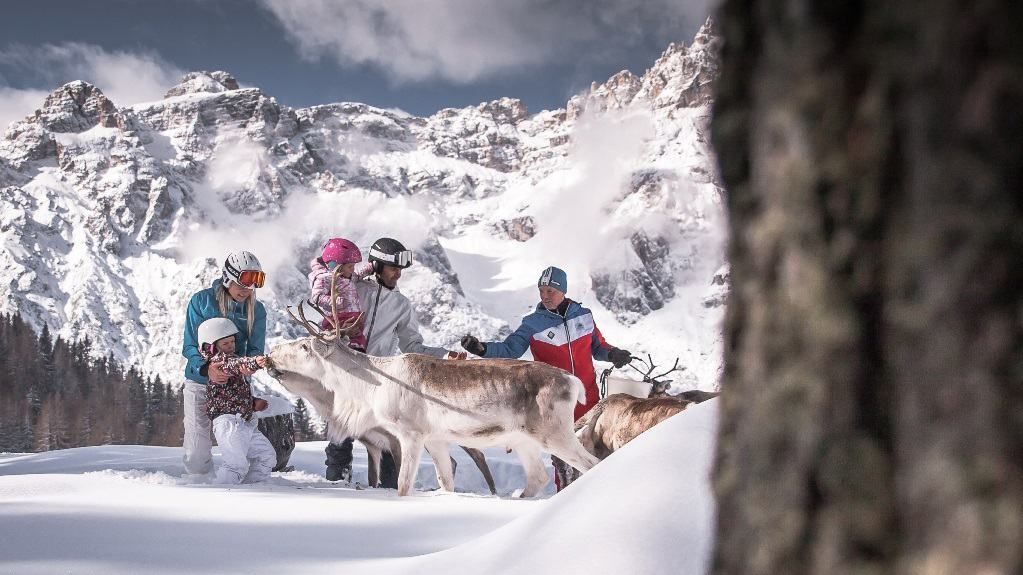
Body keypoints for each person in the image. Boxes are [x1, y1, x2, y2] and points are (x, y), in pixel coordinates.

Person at [460, 266, 632, 491]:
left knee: (596, 449)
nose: (544, 295)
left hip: (589, 398)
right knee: (562, 454)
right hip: (555, 402)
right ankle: (565, 498)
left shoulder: (584, 316)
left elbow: (598, 347)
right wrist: (482, 349)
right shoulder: (532, 323)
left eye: (550, 290)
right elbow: (510, 349)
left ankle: (599, 497)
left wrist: (612, 354)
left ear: (562, 290)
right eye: (541, 290)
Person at [324, 237, 466, 484]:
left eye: (400, 269)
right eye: (393, 268)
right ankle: (336, 486)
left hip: (380, 382)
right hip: (348, 374)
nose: (398, 274)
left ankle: (389, 493)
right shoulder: (355, 290)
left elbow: (412, 346)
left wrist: (444, 355)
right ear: (377, 266)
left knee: (389, 439)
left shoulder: (401, 305)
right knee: (340, 440)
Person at [181, 250, 267, 476]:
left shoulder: (256, 310)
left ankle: (250, 494)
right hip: (200, 383)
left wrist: (248, 366)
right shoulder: (202, 301)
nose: (248, 289)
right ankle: (200, 492)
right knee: (196, 457)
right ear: (229, 276)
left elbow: (256, 349)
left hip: (235, 389)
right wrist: (207, 368)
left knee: (244, 446)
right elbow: (190, 345)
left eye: (254, 283)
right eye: (244, 281)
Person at [196, 317, 276, 484]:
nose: (231, 345)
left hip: (244, 421)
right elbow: (235, 364)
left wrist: (252, 403)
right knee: (235, 465)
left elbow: (232, 393)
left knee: (266, 457)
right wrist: (254, 362)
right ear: (211, 347)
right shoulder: (219, 363)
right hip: (228, 423)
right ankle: (223, 497)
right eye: (225, 343)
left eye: (232, 341)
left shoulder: (231, 359)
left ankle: (253, 490)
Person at [308, 237, 368, 351]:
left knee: (358, 340)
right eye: (350, 266)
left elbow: (359, 275)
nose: (353, 269)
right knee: (345, 342)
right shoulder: (324, 278)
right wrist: (336, 301)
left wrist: (370, 268)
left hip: (353, 317)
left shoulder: (348, 276)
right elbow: (317, 297)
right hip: (336, 319)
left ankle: (357, 353)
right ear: (335, 265)